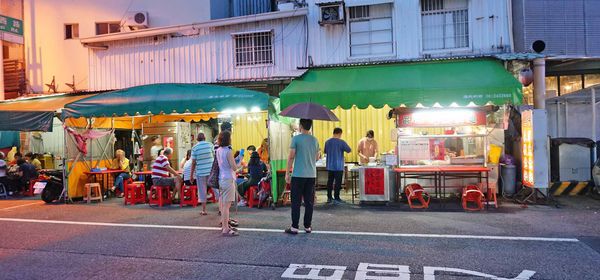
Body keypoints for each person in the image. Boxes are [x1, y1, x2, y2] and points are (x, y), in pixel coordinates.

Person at [285, 119, 319, 235]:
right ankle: (308, 226)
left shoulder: (296, 139)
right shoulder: (315, 140)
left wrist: (287, 172)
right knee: (309, 202)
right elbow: (317, 157)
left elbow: (291, 157)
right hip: (311, 175)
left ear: (300, 126)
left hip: (298, 175)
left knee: (296, 202)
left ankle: (294, 227)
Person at [215, 131, 240, 237]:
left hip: (221, 178)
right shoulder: (228, 151)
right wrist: (239, 162)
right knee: (226, 206)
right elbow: (234, 167)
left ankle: (224, 225)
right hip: (228, 179)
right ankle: (225, 228)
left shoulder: (218, 150)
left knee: (223, 204)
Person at [324, 127, 352, 204]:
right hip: (338, 166)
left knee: (329, 182)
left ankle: (329, 197)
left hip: (330, 165)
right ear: (340, 133)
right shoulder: (341, 142)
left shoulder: (327, 142)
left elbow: (325, 151)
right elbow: (349, 150)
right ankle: (337, 197)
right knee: (338, 182)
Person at [190, 133, 215, 216]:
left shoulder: (194, 148)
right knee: (216, 189)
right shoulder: (210, 145)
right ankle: (221, 209)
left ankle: (204, 210)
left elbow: (193, 163)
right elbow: (215, 157)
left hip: (200, 172)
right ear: (205, 138)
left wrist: (191, 175)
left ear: (197, 139)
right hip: (211, 171)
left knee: (202, 190)